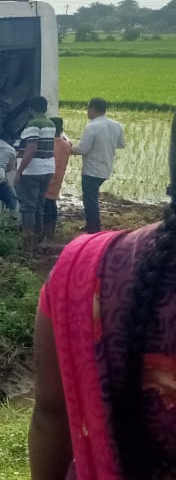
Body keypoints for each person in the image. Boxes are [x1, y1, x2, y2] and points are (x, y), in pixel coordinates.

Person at [28, 112, 176, 480]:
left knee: (85, 198)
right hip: (101, 167)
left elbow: (51, 416)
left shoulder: (82, 270)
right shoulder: (109, 128)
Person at [72, 97, 126, 233]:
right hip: (106, 168)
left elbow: (82, 149)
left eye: (88, 109)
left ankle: (93, 229)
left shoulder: (92, 126)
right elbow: (121, 144)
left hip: (91, 170)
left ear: (93, 109)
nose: (87, 112)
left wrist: (67, 147)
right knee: (92, 198)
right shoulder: (116, 125)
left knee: (90, 201)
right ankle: (92, 225)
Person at [17, 96, 57, 247]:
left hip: (33, 170)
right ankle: (39, 240)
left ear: (30, 109)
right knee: (39, 205)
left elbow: (31, 149)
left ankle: (28, 242)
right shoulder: (51, 124)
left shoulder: (33, 124)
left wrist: (20, 170)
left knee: (28, 207)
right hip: (47, 169)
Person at [43, 117, 73, 239]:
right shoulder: (66, 145)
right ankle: (50, 233)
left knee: (46, 208)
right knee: (51, 205)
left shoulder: (48, 144)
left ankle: (45, 235)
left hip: (46, 181)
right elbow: (68, 141)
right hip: (57, 181)